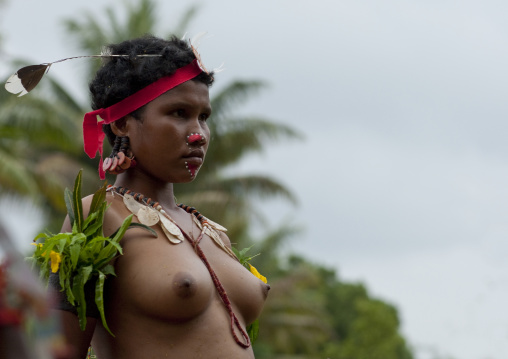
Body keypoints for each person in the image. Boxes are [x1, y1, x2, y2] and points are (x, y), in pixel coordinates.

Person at [52, 35, 270, 359]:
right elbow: (55, 350)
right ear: (123, 123)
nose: (198, 134)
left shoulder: (214, 233)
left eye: (204, 117)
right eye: (179, 113)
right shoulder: (99, 217)